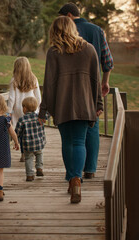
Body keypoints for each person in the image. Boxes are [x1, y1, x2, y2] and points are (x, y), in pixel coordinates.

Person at [38, 16, 103, 203]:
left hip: (63, 105)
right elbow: (95, 80)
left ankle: (72, 178)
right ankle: (76, 180)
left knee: (67, 142)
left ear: (55, 31)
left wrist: (44, 111)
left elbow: (49, 84)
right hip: (84, 104)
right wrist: (98, 103)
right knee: (79, 142)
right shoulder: (89, 49)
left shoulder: (54, 52)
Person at [58, 2, 114, 179]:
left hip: (67, 89)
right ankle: (90, 169)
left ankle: (73, 174)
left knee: (69, 135)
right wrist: (105, 83)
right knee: (92, 127)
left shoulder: (63, 31)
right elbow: (108, 62)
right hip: (92, 86)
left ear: (67, 16)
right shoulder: (97, 31)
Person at [7, 57, 41, 162]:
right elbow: (38, 97)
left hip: (19, 109)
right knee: (31, 132)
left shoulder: (14, 80)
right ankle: (34, 151)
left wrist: (8, 112)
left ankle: (23, 154)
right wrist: (38, 109)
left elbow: (11, 98)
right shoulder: (34, 79)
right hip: (31, 109)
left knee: (20, 133)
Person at [16, 97, 46, 182]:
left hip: (27, 144)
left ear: (25, 108)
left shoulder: (22, 119)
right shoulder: (39, 117)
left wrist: (16, 140)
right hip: (39, 142)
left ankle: (29, 175)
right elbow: (46, 117)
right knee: (39, 154)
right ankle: (39, 168)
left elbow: (17, 131)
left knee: (28, 158)